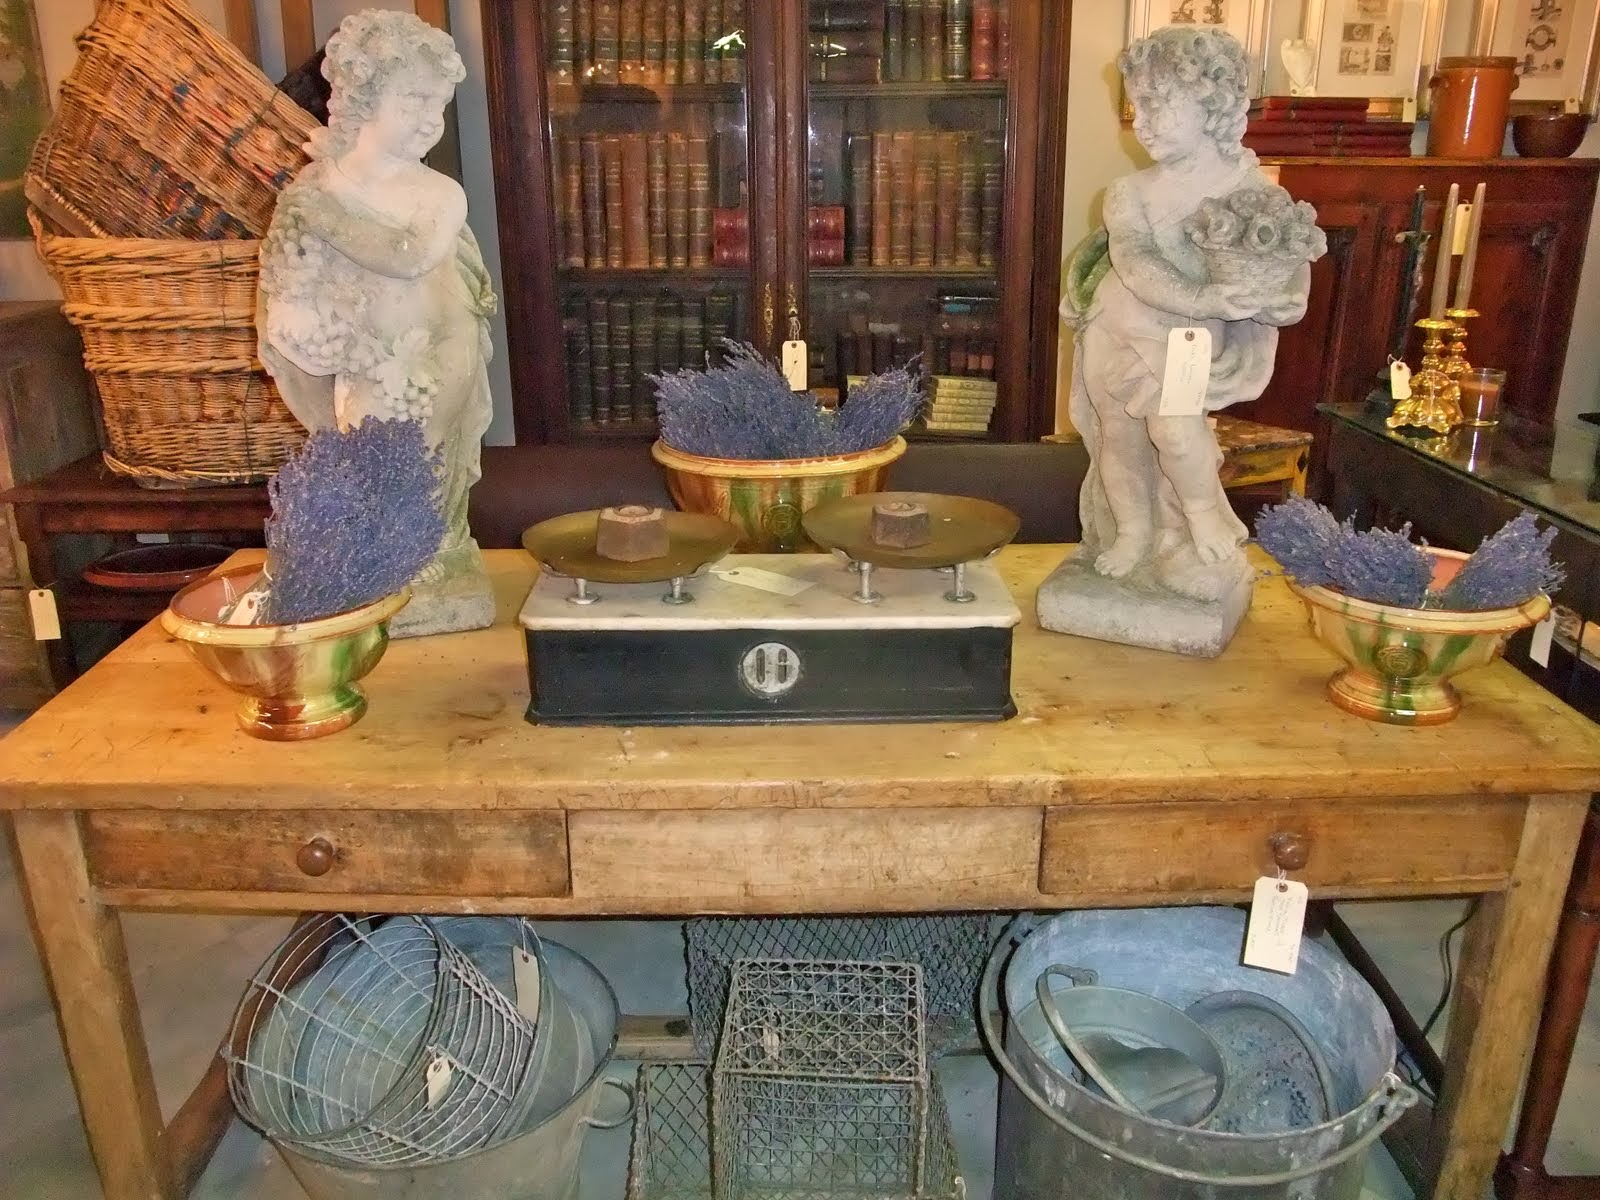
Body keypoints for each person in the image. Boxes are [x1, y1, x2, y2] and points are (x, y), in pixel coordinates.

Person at [259, 10, 496, 631]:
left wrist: (321, 211)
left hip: (439, 355)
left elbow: (407, 255)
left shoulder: (436, 193)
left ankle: (432, 560)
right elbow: (288, 283)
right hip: (365, 364)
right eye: (414, 100)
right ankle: (383, 571)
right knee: (369, 464)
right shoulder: (312, 191)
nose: (429, 118)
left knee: (428, 463)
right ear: (363, 96)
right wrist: (300, 322)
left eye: (438, 104)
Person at [1063, 27, 1315, 602]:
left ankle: (1203, 515)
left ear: (1213, 103)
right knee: (1117, 438)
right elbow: (1136, 262)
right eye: (1137, 105)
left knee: (1176, 430)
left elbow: (1285, 268)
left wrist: (1280, 302)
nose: (1143, 121)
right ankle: (1132, 532)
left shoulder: (1252, 192)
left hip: (1184, 342)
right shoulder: (1129, 192)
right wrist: (1207, 299)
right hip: (1114, 328)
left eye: (1158, 103)